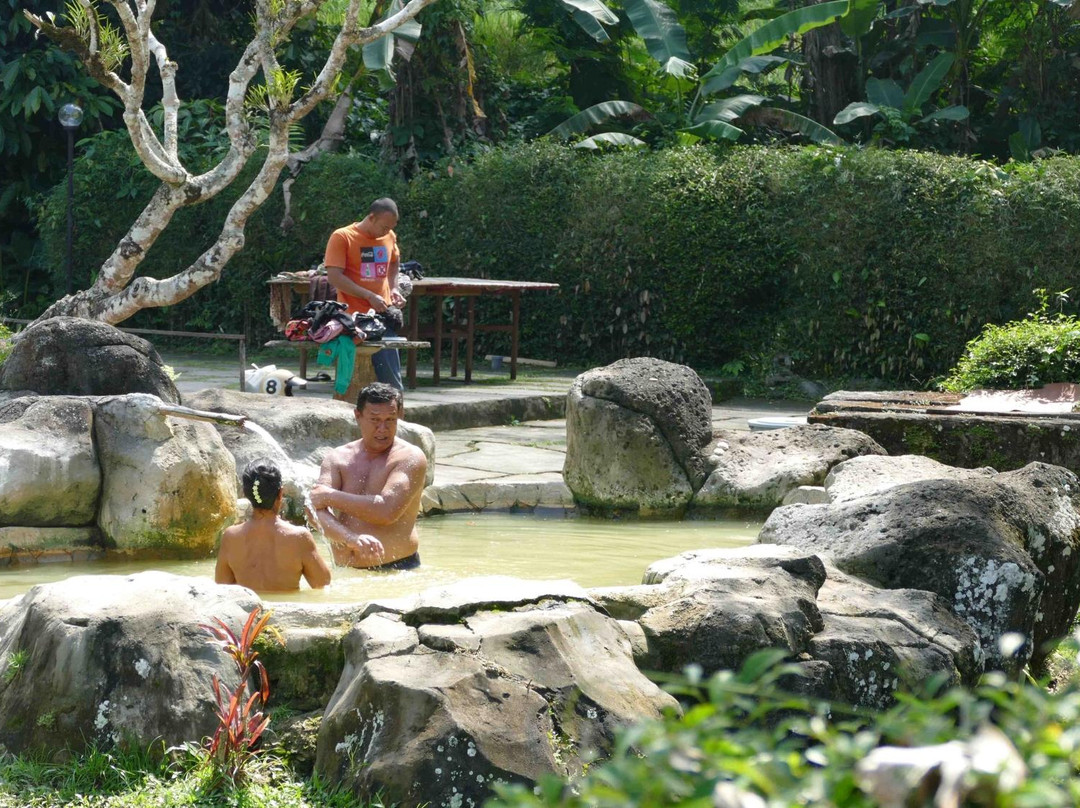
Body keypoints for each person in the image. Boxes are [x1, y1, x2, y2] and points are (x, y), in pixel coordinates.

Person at [309, 382, 428, 569]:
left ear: (400, 417)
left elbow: (386, 511)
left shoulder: (410, 457)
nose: (383, 428)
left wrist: (329, 496)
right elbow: (314, 510)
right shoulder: (337, 458)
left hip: (396, 569)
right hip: (344, 571)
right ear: (358, 416)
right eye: (375, 419)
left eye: (390, 419)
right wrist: (350, 539)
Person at [323, 197, 406, 390]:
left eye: (390, 228)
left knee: (392, 383)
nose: (387, 232)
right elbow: (334, 277)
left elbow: (394, 262)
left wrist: (394, 287)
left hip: (382, 317)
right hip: (353, 319)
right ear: (371, 217)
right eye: (384, 227)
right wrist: (368, 295)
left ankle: (394, 413)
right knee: (353, 384)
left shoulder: (389, 236)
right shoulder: (342, 236)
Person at [215, 460, 332, 592]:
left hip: (250, 611)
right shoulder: (299, 537)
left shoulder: (231, 537)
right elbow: (323, 583)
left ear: (245, 493)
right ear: (280, 493)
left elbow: (222, 587)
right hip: (288, 611)